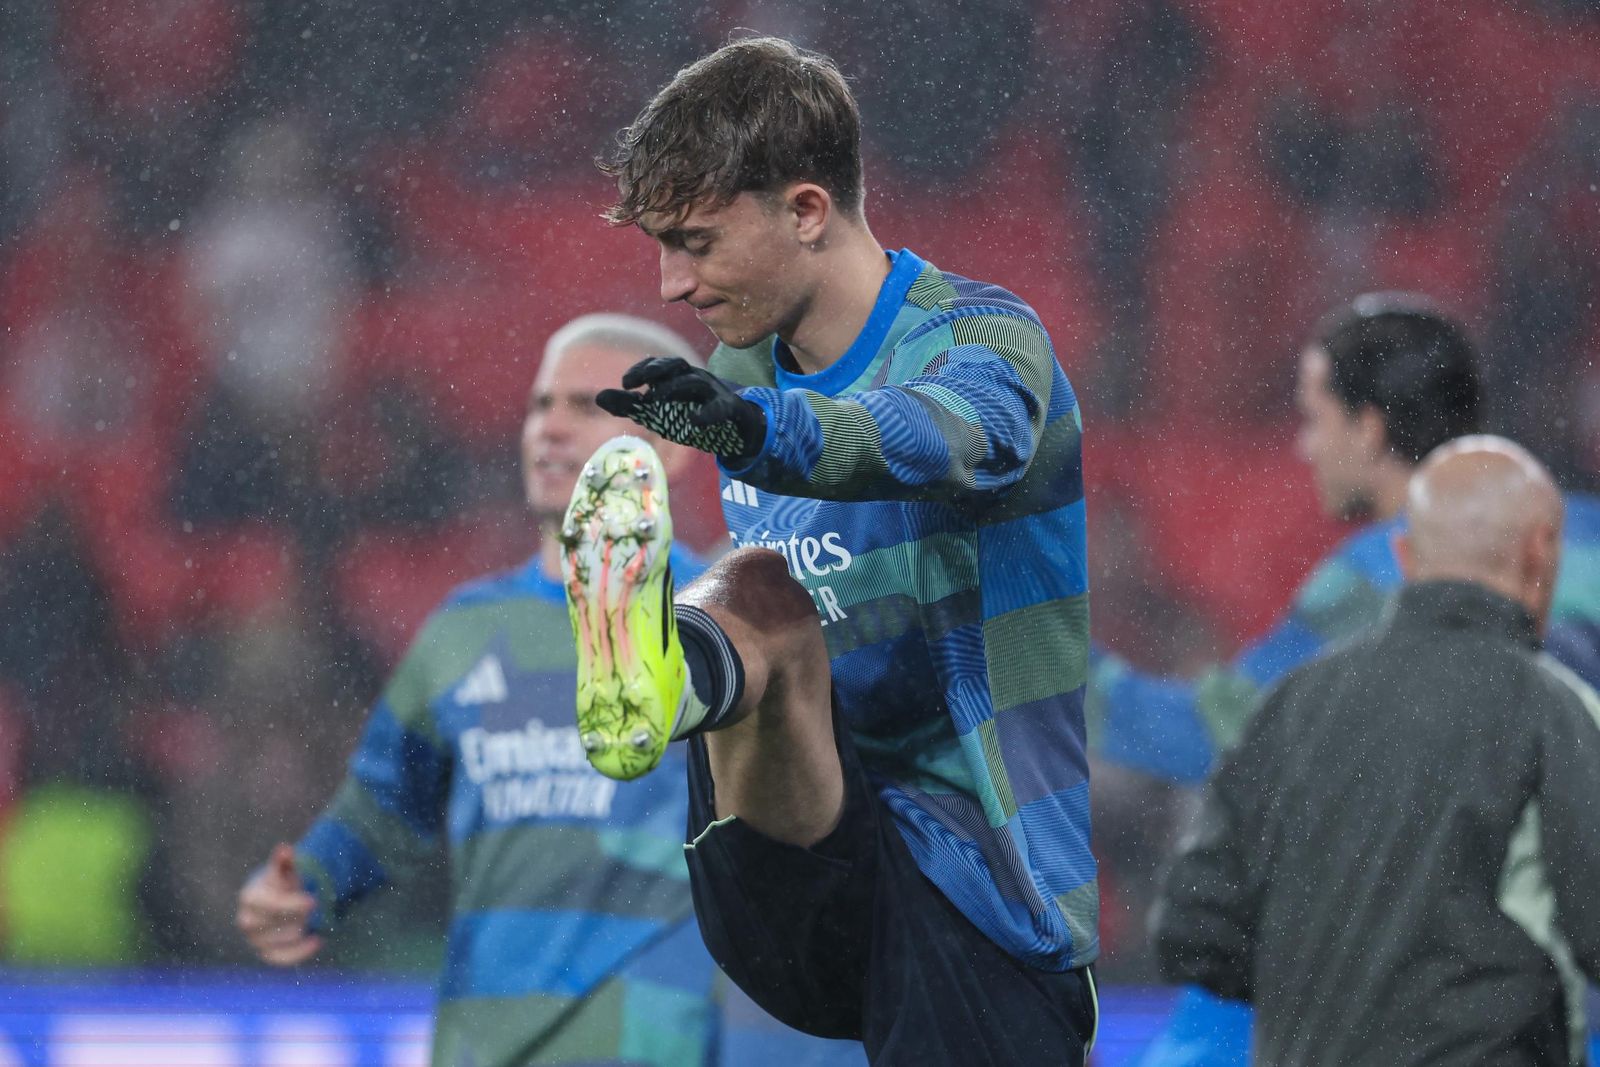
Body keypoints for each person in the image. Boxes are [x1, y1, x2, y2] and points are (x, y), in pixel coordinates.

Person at [560, 36, 1099, 1064]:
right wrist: (753, 416)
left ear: (806, 211)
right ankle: (661, 683)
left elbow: (945, 437)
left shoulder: (983, 341)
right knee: (758, 581)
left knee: (765, 584)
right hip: (808, 848)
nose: (671, 282)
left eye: (696, 241)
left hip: (980, 883)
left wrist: (766, 431)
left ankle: (676, 673)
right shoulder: (742, 364)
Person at [236, 313, 865, 1067]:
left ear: (669, 446)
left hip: (658, 1034)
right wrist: (310, 878)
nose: (553, 428)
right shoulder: (463, 629)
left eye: (590, 406)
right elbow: (384, 805)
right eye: (542, 405)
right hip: (484, 1035)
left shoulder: (730, 624)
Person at [1091, 294, 1600, 1066]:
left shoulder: (1372, 581)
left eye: (1315, 417)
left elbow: (1207, 739)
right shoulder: (1585, 536)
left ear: (1369, 429)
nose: (1305, 447)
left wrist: (1040, 655)